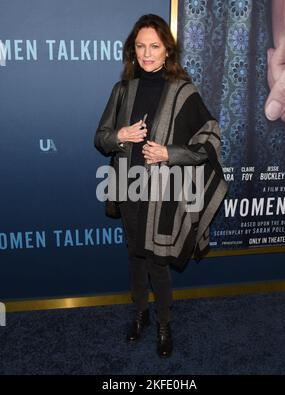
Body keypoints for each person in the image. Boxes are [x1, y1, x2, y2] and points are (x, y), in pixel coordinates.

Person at [94, 14, 227, 358]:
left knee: (158, 263)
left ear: (168, 50)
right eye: (140, 46)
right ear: (132, 50)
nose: (147, 53)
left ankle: (164, 323)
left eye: (154, 46)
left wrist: (170, 153)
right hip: (129, 189)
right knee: (136, 258)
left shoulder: (184, 91)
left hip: (165, 195)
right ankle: (140, 315)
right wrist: (120, 136)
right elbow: (101, 137)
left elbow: (210, 142)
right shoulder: (122, 90)